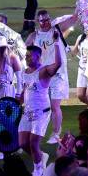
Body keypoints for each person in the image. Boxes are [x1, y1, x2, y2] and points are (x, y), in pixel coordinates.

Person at [26, 10, 76, 144]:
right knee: (39, 104)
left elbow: (74, 18)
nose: (45, 23)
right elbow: (25, 51)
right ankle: (35, 130)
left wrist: (81, 4)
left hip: (58, 74)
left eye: (47, 19)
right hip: (42, 75)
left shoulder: (57, 29)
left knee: (55, 106)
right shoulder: (33, 36)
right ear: (38, 21)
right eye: (42, 20)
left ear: (50, 19)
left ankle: (55, 133)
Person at [19, 44, 61, 176]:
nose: (27, 58)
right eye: (26, 56)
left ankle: (38, 170)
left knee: (33, 142)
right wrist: (19, 100)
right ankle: (41, 156)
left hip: (41, 112)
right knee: (23, 143)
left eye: (29, 56)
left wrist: (57, 44)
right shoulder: (25, 72)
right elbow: (25, 89)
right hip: (27, 111)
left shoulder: (44, 71)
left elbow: (58, 64)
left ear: (38, 56)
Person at [73, 32, 88, 111]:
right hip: (82, 69)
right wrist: (68, 48)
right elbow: (74, 52)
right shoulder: (80, 37)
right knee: (80, 95)